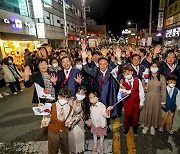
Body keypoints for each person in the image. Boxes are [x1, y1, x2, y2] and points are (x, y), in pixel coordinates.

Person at [41, 88, 73, 154]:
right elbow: (47, 116)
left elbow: (69, 117)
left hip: (64, 131)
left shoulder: (70, 108)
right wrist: (45, 122)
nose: (63, 99)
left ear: (69, 99)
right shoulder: (51, 106)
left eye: (66, 98)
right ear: (58, 96)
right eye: (62, 97)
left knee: (65, 148)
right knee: (53, 149)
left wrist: (68, 122)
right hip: (53, 131)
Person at [140, 61, 166, 135]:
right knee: (147, 111)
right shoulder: (146, 76)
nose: (154, 68)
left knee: (154, 112)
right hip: (147, 97)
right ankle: (146, 126)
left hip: (157, 98)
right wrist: (145, 88)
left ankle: (152, 126)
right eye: (152, 66)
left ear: (158, 68)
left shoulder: (161, 77)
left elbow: (163, 90)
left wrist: (163, 101)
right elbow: (141, 88)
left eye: (155, 66)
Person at [119, 64, 145, 136]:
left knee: (135, 117)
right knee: (127, 117)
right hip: (127, 104)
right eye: (125, 73)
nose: (128, 74)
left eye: (129, 72)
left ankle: (135, 129)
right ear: (123, 74)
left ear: (132, 72)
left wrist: (141, 103)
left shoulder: (137, 80)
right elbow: (120, 95)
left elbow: (141, 92)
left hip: (136, 103)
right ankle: (126, 128)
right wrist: (121, 88)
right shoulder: (122, 82)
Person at [68, 86, 86, 154]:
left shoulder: (84, 104)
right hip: (71, 121)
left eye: (82, 93)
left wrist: (80, 117)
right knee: (72, 136)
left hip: (79, 122)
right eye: (79, 92)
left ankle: (80, 150)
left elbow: (84, 114)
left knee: (80, 135)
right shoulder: (71, 101)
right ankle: (72, 150)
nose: (80, 95)